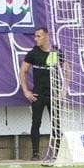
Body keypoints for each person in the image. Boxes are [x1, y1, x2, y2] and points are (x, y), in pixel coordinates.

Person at [18, 27, 56, 160]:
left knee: (56, 124)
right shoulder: (33, 53)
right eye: (35, 36)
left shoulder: (55, 52)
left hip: (53, 95)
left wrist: (64, 89)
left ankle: (56, 153)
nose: (36, 39)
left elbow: (67, 69)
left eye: (39, 36)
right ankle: (35, 154)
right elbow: (23, 71)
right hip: (38, 95)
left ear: (46, 36)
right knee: (36, 123)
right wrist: (26, 91)